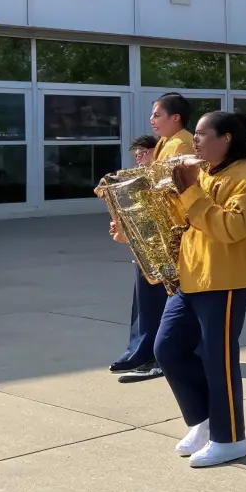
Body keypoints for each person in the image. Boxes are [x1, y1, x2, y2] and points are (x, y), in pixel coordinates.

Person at [150, 111, 246, 467]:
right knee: (168, 349)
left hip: (227, 281)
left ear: (227, 139)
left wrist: (189, 190)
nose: (195, 142)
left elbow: (231, 228)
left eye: (202, 135)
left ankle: (230, 437)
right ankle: (204, 422)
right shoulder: (202, 173)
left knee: (217, 361)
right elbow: (184, 219)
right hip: (191, 277)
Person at [109, 94, 195, 381]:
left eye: (157, 114)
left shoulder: (182, 144)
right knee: (146, 293)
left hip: (171, 233)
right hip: (156, 229)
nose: (152, 120)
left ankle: (158, 354)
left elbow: (167, 187)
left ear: (176, 118)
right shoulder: (166, 143)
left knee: (161, 293)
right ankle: (141, 350)